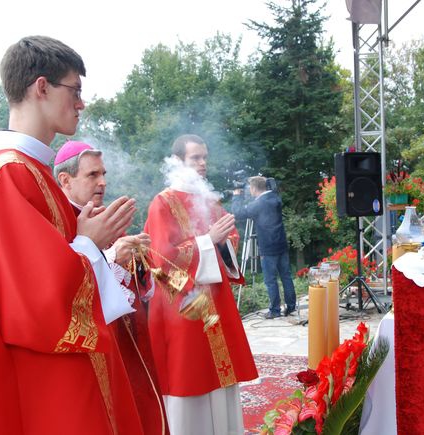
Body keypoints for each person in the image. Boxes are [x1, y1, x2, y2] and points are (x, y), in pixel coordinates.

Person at [0, 36, 164, 434]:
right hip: (42, 378)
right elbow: (34, 299)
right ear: (41, 87)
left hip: (61, 367)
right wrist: (89, 244)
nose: (81, 103)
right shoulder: (8, 174)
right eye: (75, 89)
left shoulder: (31, 169)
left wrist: (100, 250)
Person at [144, 134, 258, 434]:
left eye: (205, 157)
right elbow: (161, 260)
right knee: (190, 376)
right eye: (196, 158)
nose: (203, 163)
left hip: (216, 303)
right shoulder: (162, 202)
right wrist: (209, 240)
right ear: (178, 161)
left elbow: (229, 240)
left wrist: (220, 242)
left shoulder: (208, 199)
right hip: (185, 308)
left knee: (221, 381)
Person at [54, 140, 166, 434]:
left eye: (104, 174)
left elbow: (140, 289)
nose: (102, 182)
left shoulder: (105, 217)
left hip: (128, 341)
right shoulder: (57, 220)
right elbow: (62, 285)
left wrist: (139, 260)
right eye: (92, 175)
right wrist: (114, 257)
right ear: (65, 180)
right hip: (92, 347)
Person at [232, 176, 296, 319]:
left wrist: (237, 195)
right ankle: (291, 307)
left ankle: (274, 310)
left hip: (268, 247)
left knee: (270, 280)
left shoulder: (259, 204)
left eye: (250, 188)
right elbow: (272, 188)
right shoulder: (275, 198)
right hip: (281, 245)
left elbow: (238, 213)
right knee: (286, 276)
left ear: (254, 188)